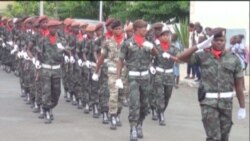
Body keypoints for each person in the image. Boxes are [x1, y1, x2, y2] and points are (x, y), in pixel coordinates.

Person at [177, 27, 246, 141]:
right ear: (210, 41)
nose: (219, 42)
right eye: (216, 40)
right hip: (208, 103)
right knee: (214, 137)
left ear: (225, 41)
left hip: (226, 104)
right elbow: (181, 57)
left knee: (224, 137)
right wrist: (199, 46)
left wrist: (242, 107)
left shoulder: (234, 59)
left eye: (222, 40)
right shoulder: (202, 57)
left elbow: (239, 85)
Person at [116, 19, 159, 141]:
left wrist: (152, 47)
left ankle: (140, 123)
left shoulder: (148, 42)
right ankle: (133, 128)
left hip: (145, 77)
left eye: (146, 28)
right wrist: (118, 78)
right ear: (135, 30)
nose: (145, 30)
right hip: (133, 77)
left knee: (144, 105)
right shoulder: (127, 44)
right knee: (134, 104)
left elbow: (156, 54)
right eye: (142, 28)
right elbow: (120, 61)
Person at [92, 20, 125, 129]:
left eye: (120, 28)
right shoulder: (107, 42)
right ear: (112, 30)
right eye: (116, 29)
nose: (118, 30)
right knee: (113, 95)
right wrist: (96, 71)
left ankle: (118, 113)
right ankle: (113, 116)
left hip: (124, 73)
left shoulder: (127, 42)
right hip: (112, 72)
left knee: (122, 96)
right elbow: (101, 57)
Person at [35, 19, 67, 124]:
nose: (54, 29)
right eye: (52, 27)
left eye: (55, 27)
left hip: (57, 69)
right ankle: (47, 111)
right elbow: (38, 53)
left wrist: (66, 57)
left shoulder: (61, 40)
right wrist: (37, 67)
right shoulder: (42, 40)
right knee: (46, 91)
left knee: (57, 93)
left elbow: (66, 51)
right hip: (46, 69)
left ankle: (49, 107)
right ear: (48, 28)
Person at [151, 26, 179, 126]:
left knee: (167, 95)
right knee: (160, 95)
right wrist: (151, 66)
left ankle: (159, 109)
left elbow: (179, 59)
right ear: (160, 36)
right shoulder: (156, 46)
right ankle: (161, 114)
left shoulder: (174, 47)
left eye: (168, 35)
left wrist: (170, 56)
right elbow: (150, 57)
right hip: (159, 73)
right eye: (165, 35)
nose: (167, 37)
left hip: (169, 74)